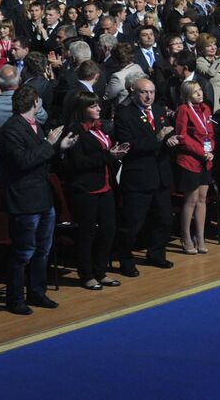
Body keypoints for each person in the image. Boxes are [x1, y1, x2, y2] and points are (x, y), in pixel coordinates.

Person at [0, 85, 72, 315]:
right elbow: (23, 161)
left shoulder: (35, 126)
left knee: (43, 249)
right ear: (35, 103)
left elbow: (41, 159)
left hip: (41, 197)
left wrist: (59, 147)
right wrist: (49, 144)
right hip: (24, 200)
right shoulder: (11, 129)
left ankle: (37, 291)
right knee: (23, 252)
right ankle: (15, 298)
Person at [63, 89, 127, 290]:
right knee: (87, 233)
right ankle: (87, 274)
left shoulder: (98, 128)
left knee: (108, 229)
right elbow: (79, 162)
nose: (99, 108)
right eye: (93, 106)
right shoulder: (74, 130)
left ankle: (101, 271)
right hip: (85, 189)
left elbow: (105, 153)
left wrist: (115, 153)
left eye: (98, 105)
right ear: (82, 109)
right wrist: (109, 156)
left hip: (105, 185)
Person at [113, 77, 177, 274]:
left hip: (161, 175)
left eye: (152, 92)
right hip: (138, 177)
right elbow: (128, 145)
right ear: (133, 92)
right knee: (132, 223)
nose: (149, 96)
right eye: (144, 92)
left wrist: (170, 139)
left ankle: (156, 253)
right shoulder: (124, 114)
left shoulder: (158, 110)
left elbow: (164, 136)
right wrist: (157, 139)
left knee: (164, 218)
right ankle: (125, 258)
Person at [173, 80, 215, 252]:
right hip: (190, 160)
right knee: (191, 199)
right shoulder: (183, 110)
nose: (200, 93)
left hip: (206, 159)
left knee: (202, 199)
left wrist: (211, 149)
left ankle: (200, 236)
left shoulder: (206, 108)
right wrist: (200, 151)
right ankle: (186, 236)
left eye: (200, 90)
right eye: (195, 92)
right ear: (187, 95)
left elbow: (210, 132)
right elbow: (182, 137)